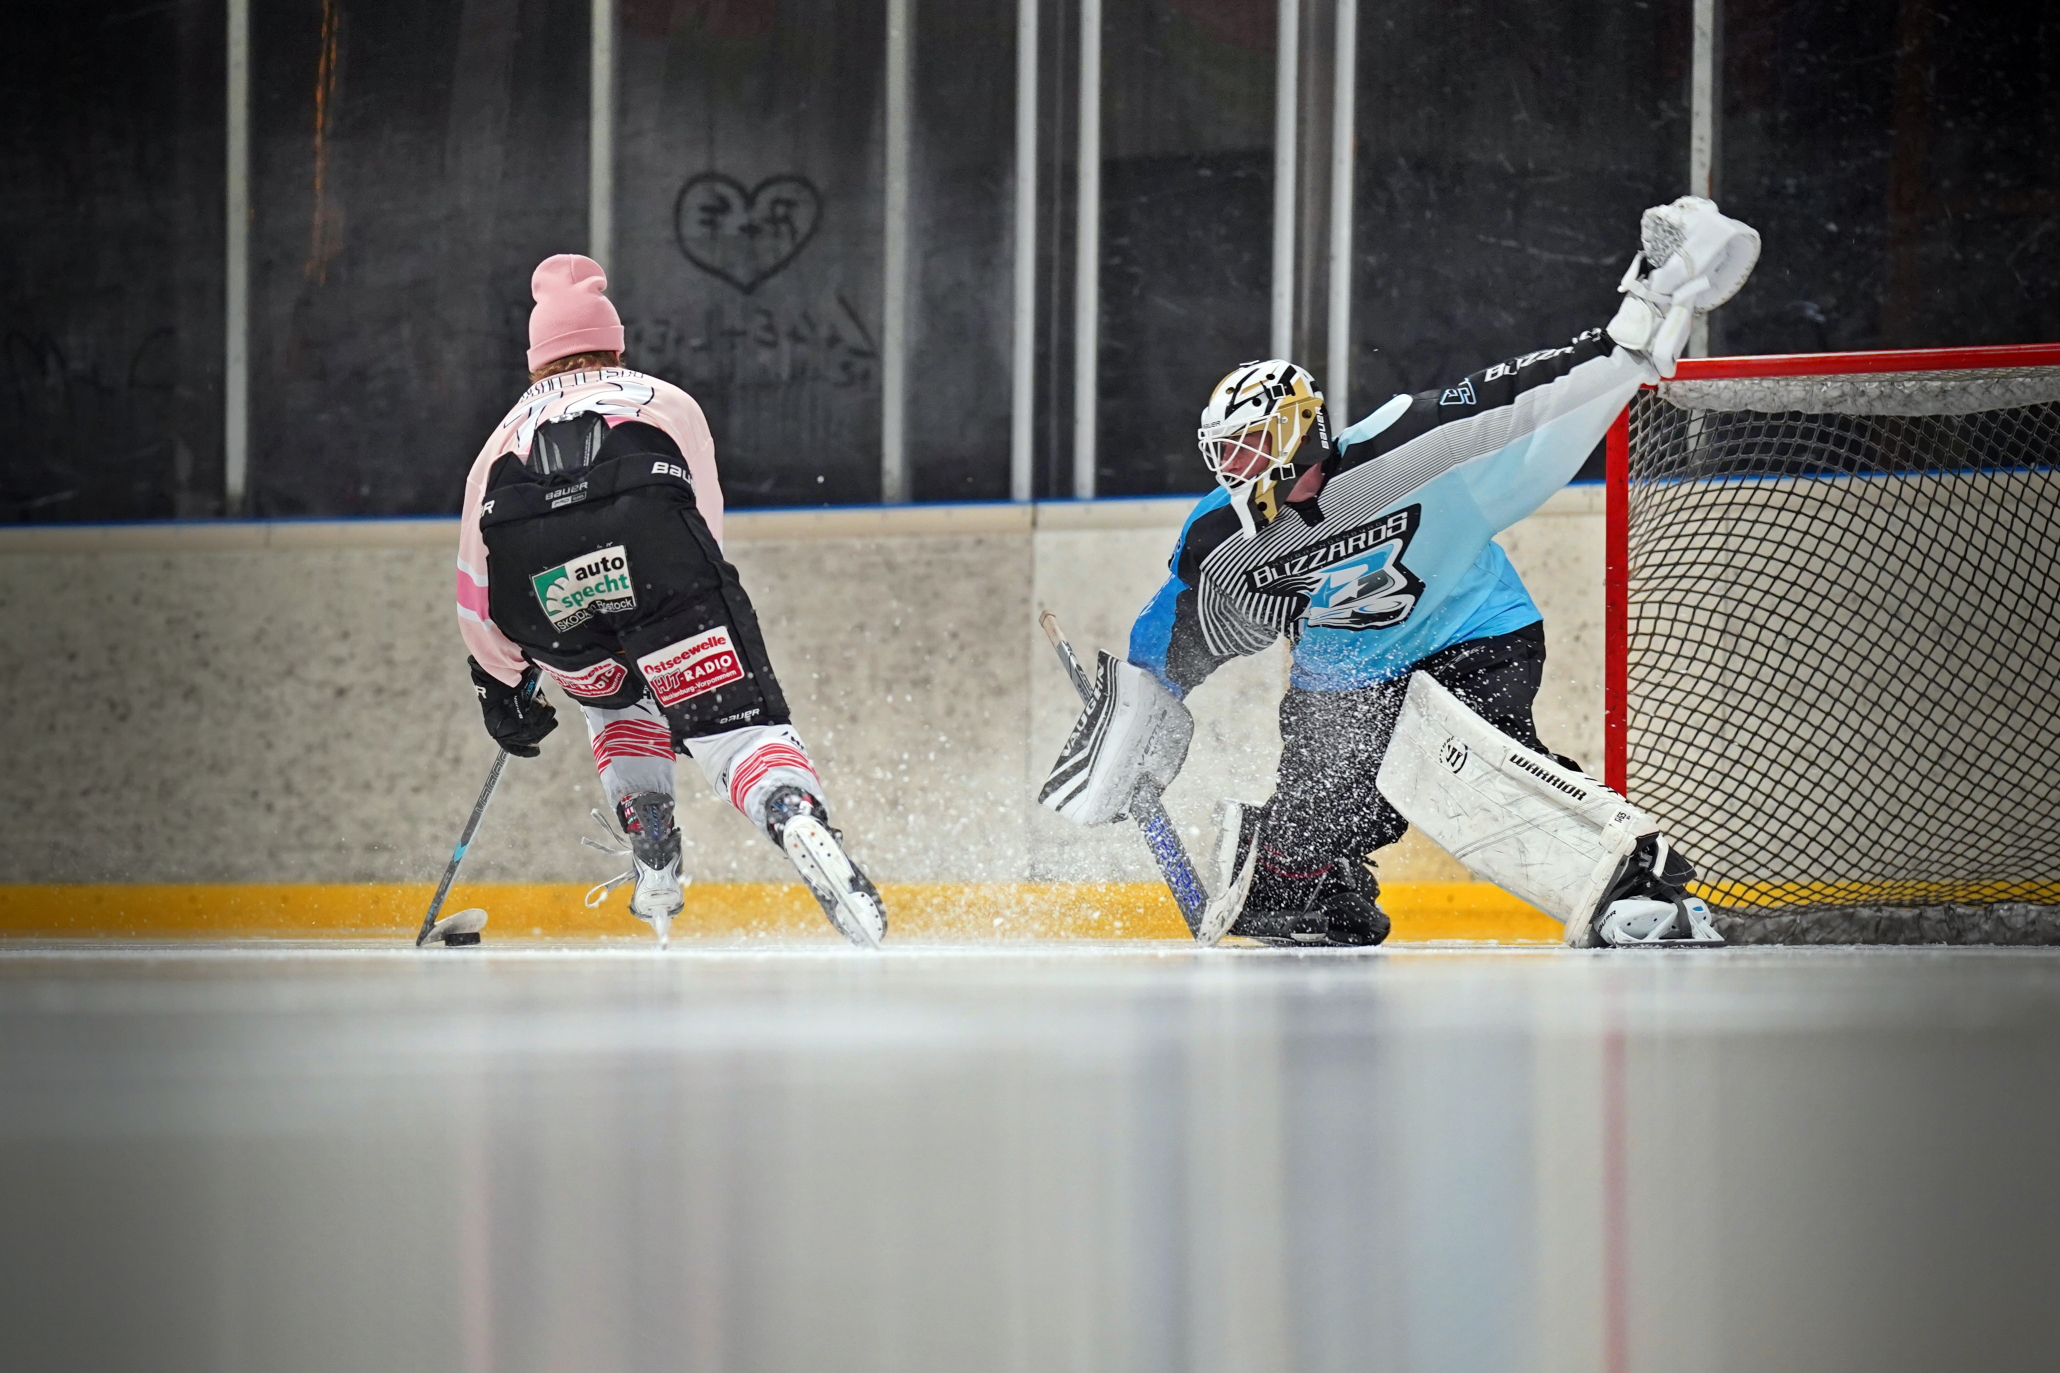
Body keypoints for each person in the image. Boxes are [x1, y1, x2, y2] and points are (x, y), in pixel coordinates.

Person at [1040, 197, 1760, 947]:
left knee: (1477, 769)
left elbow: (1519, 400)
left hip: (1472, 633)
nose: (1236, 467)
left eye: (1250, 445)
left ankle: (1637, 884)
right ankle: (1313, 891)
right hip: (1347, 674)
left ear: (1298, 431)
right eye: (1225, 453)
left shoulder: (1404, 448)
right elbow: (1187, 627)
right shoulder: (1224, 537)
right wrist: (1136, 714)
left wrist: (1636, 327)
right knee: (1311, 824)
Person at [454, 254, 886, 948]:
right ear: (613, 344)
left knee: (613, 700)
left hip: (546, 602)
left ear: (537, 361)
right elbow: (700, 524)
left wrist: (499, 682)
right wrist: (679, 629)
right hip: (659, 566)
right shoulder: (664, 402)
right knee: (733, 731)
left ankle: (649, 829)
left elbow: (475, 580)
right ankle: (789, 807)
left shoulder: (500, 439)